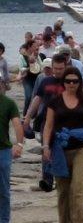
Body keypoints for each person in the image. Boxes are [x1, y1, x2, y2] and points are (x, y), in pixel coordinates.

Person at [43, 67, 83, 223]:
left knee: (78, 189)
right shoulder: (54, 102)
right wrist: (45, 147)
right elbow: (48, 126)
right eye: (68, 81)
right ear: (63, 82)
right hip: (60, 150)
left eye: (75, 81)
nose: (71, 84)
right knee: (63, 191)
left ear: (79, 82)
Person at [23, 53, 67, 192]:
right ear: (52, 67)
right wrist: (28, 117)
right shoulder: (45, 81)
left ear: (66, 67)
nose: (58, 71)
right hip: (46, 121)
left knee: (64, 151)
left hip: (65, 123)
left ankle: (63, 179)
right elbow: (37, 99)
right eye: (56, 68)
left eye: (61, 68)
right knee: (46, 149)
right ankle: (47, 180)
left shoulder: (71, 82)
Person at [0, 74, 24, 223]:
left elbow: (17, 124)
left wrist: (19, 144)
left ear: (2, 84)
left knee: (3, 190)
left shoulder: (9, 103)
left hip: (3, 151)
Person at [19, 40, 42, 115]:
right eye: (34, 46)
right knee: (28, 96)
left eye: (36, 46)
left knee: (36, 96)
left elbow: (41, 67)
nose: (36, 47)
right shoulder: (22, 56)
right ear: (29, 47)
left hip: (36, 78)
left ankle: (33, 114)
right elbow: (21, 68)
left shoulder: (36, 55)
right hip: (27, 79)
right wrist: (29, 68)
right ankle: (25, 114)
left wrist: (36, 60)